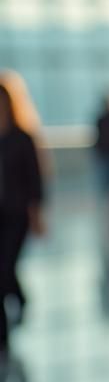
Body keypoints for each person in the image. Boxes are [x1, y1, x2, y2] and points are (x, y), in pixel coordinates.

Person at [0, 79, 45, 357]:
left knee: (6, 265)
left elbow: (35, 179)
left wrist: (37, 212)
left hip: (16, 214)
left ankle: (20, 298)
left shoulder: (21, 137)